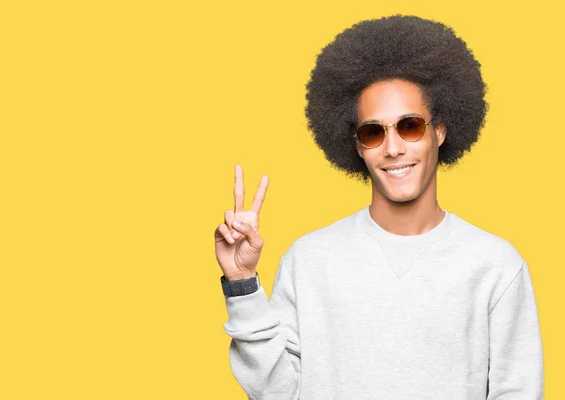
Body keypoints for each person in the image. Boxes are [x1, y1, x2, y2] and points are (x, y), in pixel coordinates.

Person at [213, 14, 544, 400]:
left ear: (439, 130)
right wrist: (242, 284)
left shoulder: (496, 266)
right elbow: (276, 393)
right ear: (356, 145)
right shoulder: (308, 260)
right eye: (373, 131)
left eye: (410, 126)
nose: (393, 148)